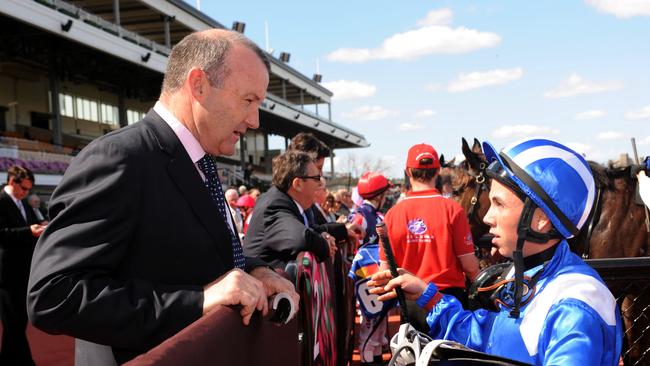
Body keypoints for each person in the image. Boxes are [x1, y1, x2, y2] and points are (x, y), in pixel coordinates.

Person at [27, 29, 297, 365]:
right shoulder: (119, 157)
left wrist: (255, 271)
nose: (255, 121)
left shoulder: (200, 162)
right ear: (198, 85)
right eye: (248, 100)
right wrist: (197, 301)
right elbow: (54, 295)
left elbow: (196, 255)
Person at [370, 138, 622, 365]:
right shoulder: (531, 274)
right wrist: (429, 296)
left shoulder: (576, 306)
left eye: (499, 204)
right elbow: (482, 338)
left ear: (541, 219)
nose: (488, 218)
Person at [380, 143, 478, 328]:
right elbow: (469, 266)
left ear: (408, 172)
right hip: (448, 300)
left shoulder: (392, 214)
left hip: (410, 301)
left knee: (413, 355)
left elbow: (384, 271)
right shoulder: (453, 209)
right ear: (438, 171)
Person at [243, 151, 337, 269]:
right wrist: (325, 245)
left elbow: (307, 230)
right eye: (316, 178)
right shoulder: (275, 204)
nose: (320, 184)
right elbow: (301, 237)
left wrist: (324, 235)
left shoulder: (284, 200)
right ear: (297, 184)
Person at [0, 166, 45, 365]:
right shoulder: (1, 201)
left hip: (23, 272)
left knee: (17, 323)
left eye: (28, 190)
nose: (26, 193)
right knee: (13, 324)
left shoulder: (24, 203)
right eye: (24, 189)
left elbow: (31, 227)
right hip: (6, 274)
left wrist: (42, 227)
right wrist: (29, 231)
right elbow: (2, 234)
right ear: (12, 182)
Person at [347, 171, 393, 365]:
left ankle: (376, 358)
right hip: (366, 274)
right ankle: (369, 361)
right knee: (370, 322)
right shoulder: (361, 215)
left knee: (380, 322)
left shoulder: (377, 214)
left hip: (378, 273)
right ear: (380, 195)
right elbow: (351, 233)